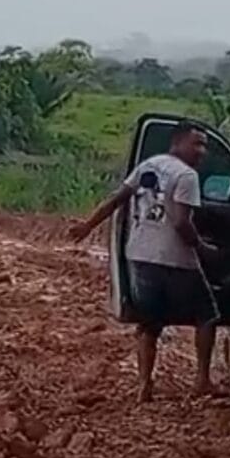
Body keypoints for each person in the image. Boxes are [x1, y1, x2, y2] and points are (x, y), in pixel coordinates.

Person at [68, 120, 218, 403]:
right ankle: (202, 380)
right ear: (178, 143)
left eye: (204, 146)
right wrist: (203, 247)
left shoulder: (149, 165)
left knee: (149, 325)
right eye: (197, 144)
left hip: (139, 255)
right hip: (174, 259)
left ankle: (145, 385)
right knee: (206, 315)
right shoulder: (187, 177)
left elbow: (117, 199)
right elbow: (180, 222)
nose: (202, 151)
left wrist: (87, 225)